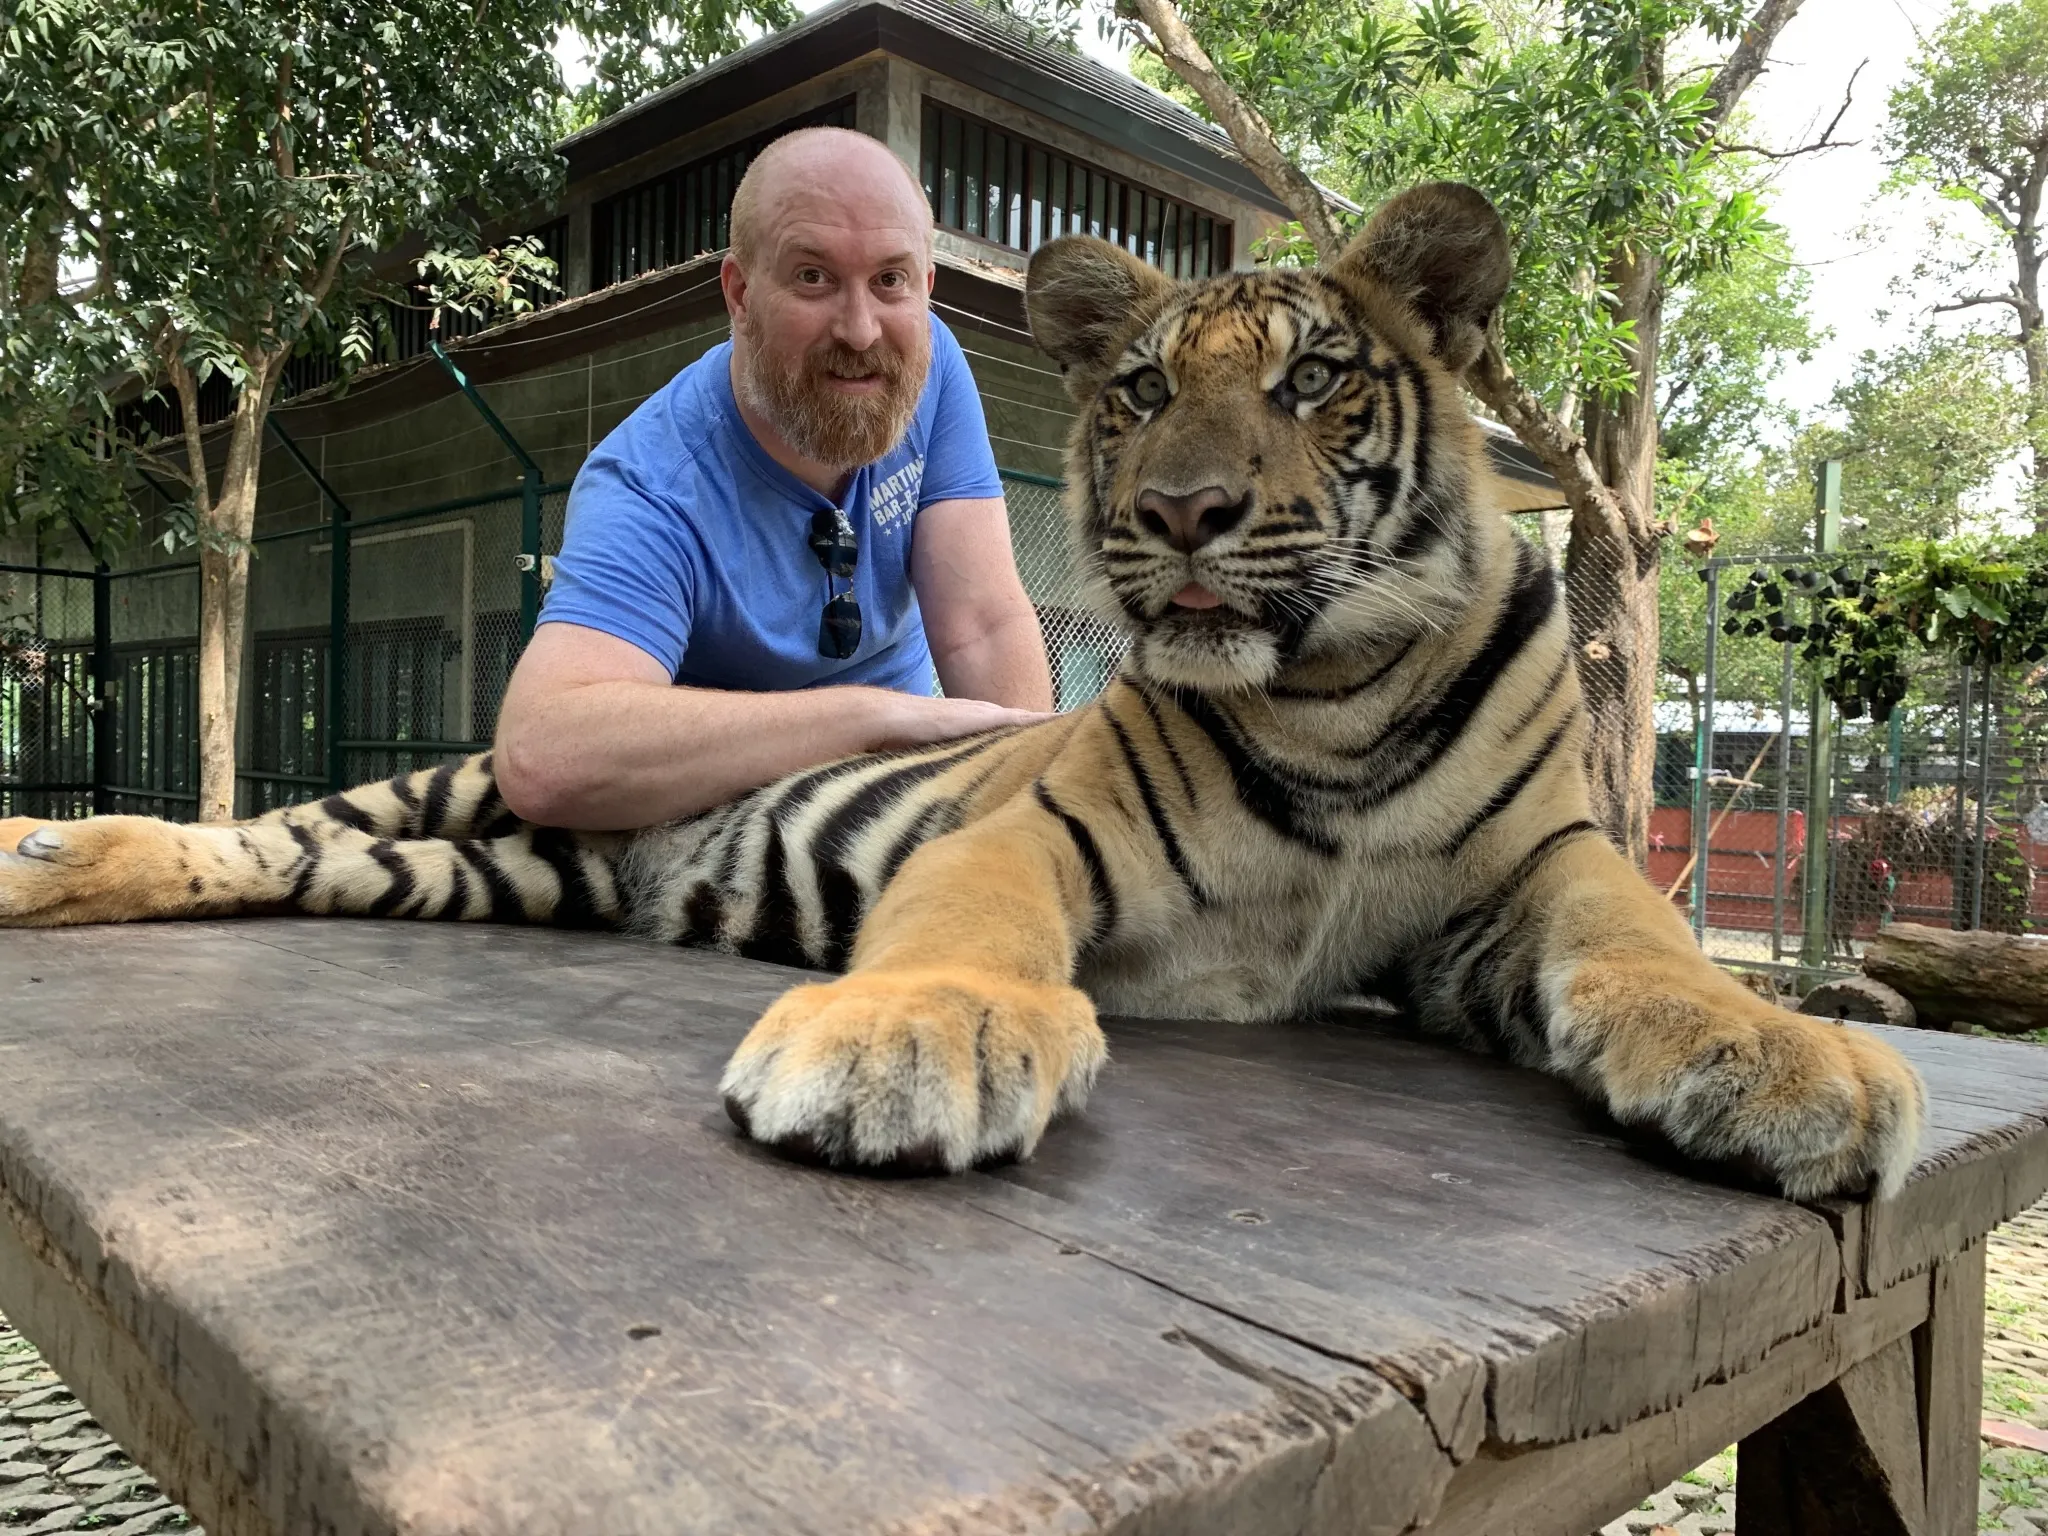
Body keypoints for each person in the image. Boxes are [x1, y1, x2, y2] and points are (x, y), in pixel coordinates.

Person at [493, 128, 1055, 830]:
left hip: (909, 806)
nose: (860, 331)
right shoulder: (650, 483)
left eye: (890, 280)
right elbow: (546, 754)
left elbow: (982, 624)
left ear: (927, 289)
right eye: (813, 277)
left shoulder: (933, 368)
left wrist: (1040, 810)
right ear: (739, 293)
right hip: (742, 840)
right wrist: (875, 719)